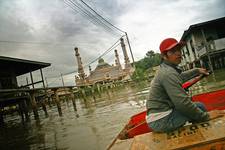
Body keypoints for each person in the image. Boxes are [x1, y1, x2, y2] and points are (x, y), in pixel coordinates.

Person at [146, 38, 225, 132]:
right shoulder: (168, 73)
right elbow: (182, 104)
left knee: (197, 106)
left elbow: (180, 77)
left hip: (157, 116)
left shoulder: (166, 69)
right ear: (164, 56)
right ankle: (203, 134)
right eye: (173, 51)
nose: (178, 53)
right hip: (161, 121)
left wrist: (197, 70)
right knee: (200, 107)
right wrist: (207, 116)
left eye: (179, 49)